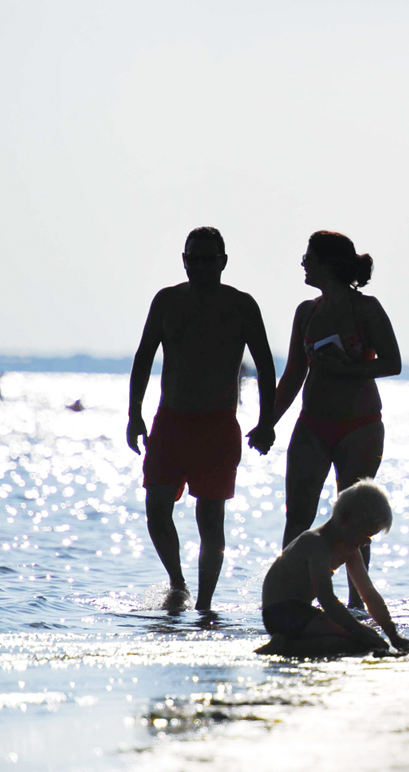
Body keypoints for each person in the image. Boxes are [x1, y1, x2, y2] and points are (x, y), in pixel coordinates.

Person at [127, 227, 277, 612]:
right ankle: (178, 584)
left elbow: (264, 365)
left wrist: (266, 421)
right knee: (156, 509)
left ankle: (205, 604)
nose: (199, 266)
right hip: (170, 422)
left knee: (210, 519)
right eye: (192, 258)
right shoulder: (167, 301)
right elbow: (144, 356)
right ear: (183, 260)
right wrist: (134, 414)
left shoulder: (242, 305)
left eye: (208, 259)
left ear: (223, 262)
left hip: (217, 425)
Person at [273, 231, 401, 609]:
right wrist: (268, 423)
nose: (303, 263)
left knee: (354, 518)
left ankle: (356, 605)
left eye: (309, 257)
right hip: (313, 424)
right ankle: (290, 597)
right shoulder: (306, 311)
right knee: (298, 515)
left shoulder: (367, 309)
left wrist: (348, 369)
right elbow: (294, 374)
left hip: (359, 425)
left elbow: (392, 363)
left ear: (329, 263)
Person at [259, 479, 409, 656]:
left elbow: (368, 593)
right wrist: (359, 631)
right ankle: (286, 647)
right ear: (345, 519)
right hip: (281, 613)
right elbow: (326, 598)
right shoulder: (316, 543)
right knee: (362, 640)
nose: (367, 542)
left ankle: (293, 643)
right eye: (366, 534)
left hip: (304, 613)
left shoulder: (351, 550)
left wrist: (392, 633)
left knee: (364, 640)